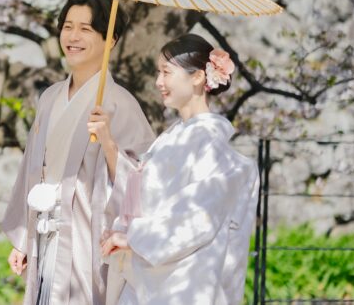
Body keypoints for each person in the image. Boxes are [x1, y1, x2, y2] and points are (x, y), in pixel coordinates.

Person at [2, 0, 155, 305]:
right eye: (67, 26)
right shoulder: (49, 98)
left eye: (85, 29)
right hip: (44, 235)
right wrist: (23, 237)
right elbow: (32, 170)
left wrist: (109, 142)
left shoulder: (119, 104)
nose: (72, 36)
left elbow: (145, 183)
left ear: (109, 39)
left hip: (86, 240)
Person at [99, 33, 259, 305]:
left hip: (180, 281)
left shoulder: (207, 141)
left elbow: (196, 218)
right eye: (158, 73)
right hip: (147, 272)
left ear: (197, 77)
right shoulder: (174, 137)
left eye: (166, 72)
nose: (159, 82)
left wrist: (133, 236)